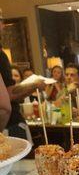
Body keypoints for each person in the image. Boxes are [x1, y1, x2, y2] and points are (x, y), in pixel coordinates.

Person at [0, 9, 46, 139]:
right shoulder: (0, 56)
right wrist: (35, 85)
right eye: (1, 20)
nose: (3, 25)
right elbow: (8, 98)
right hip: (10, 126)